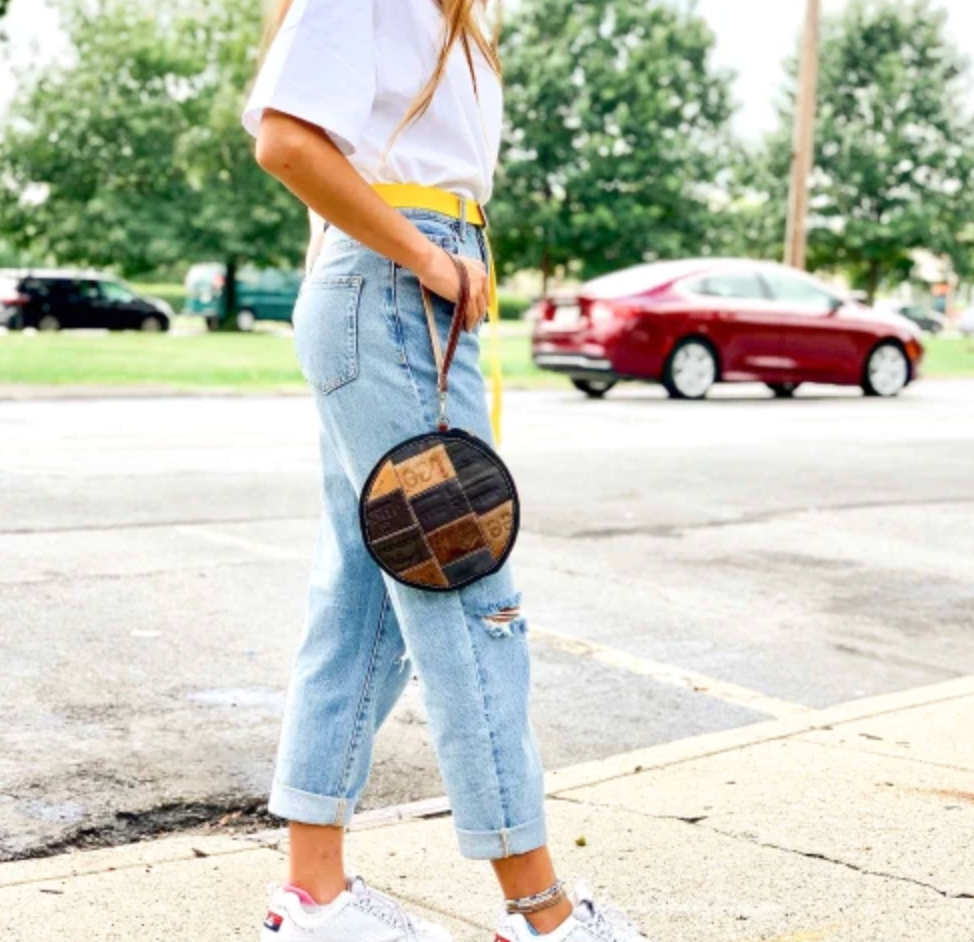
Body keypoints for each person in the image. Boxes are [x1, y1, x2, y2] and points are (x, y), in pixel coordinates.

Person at [242, 3, 649, 941]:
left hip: (394, 290)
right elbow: (288, 142)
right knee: (470, 596)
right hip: (398, 290)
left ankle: (315, 897)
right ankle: (543, 915)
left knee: (362, 601)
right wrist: (427, 257)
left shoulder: (452, 18)